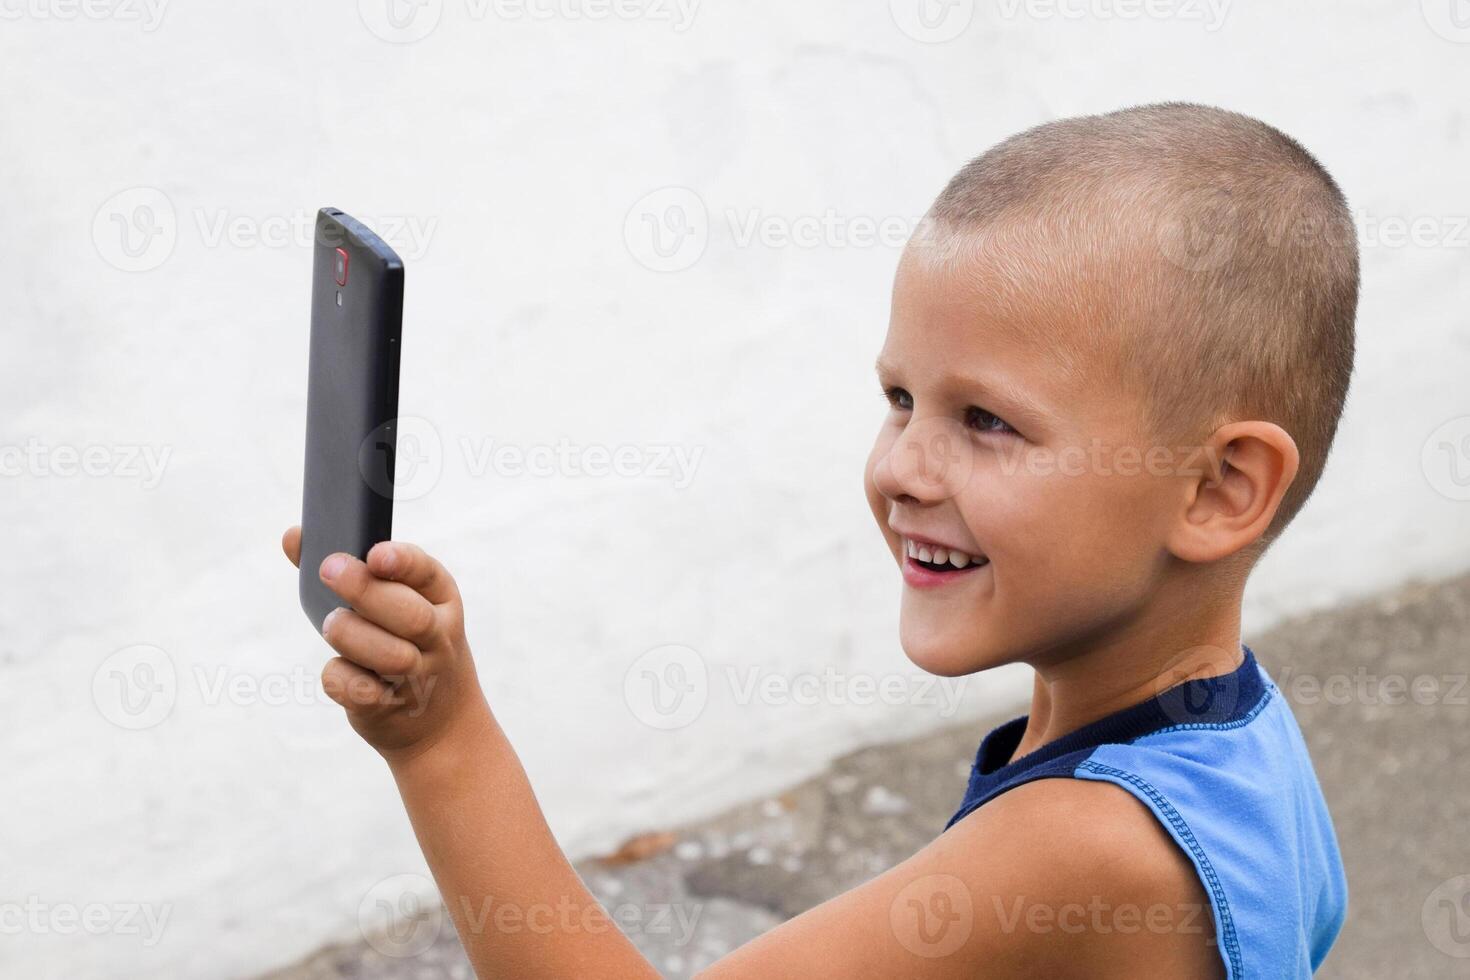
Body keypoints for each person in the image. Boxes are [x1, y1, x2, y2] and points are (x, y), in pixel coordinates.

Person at [282, 102, 1354, 978]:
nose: (901, 467)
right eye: (900, 397)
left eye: (987, 420)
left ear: (1219, 488)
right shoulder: (1248, 752)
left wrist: (444, 742)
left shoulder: (1087, 847)